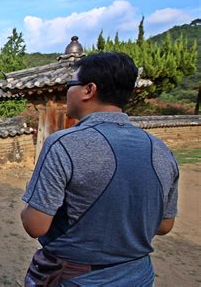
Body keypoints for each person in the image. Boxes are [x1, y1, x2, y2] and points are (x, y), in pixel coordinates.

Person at [20, 52, 178, 286]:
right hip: (138, 275)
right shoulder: (161, 150)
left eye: (70, 84)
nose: (67, 91)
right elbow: (165, 225)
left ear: (88, 90)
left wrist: (32, 200)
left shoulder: (63, 144)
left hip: (77, 278)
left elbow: (35, 225)